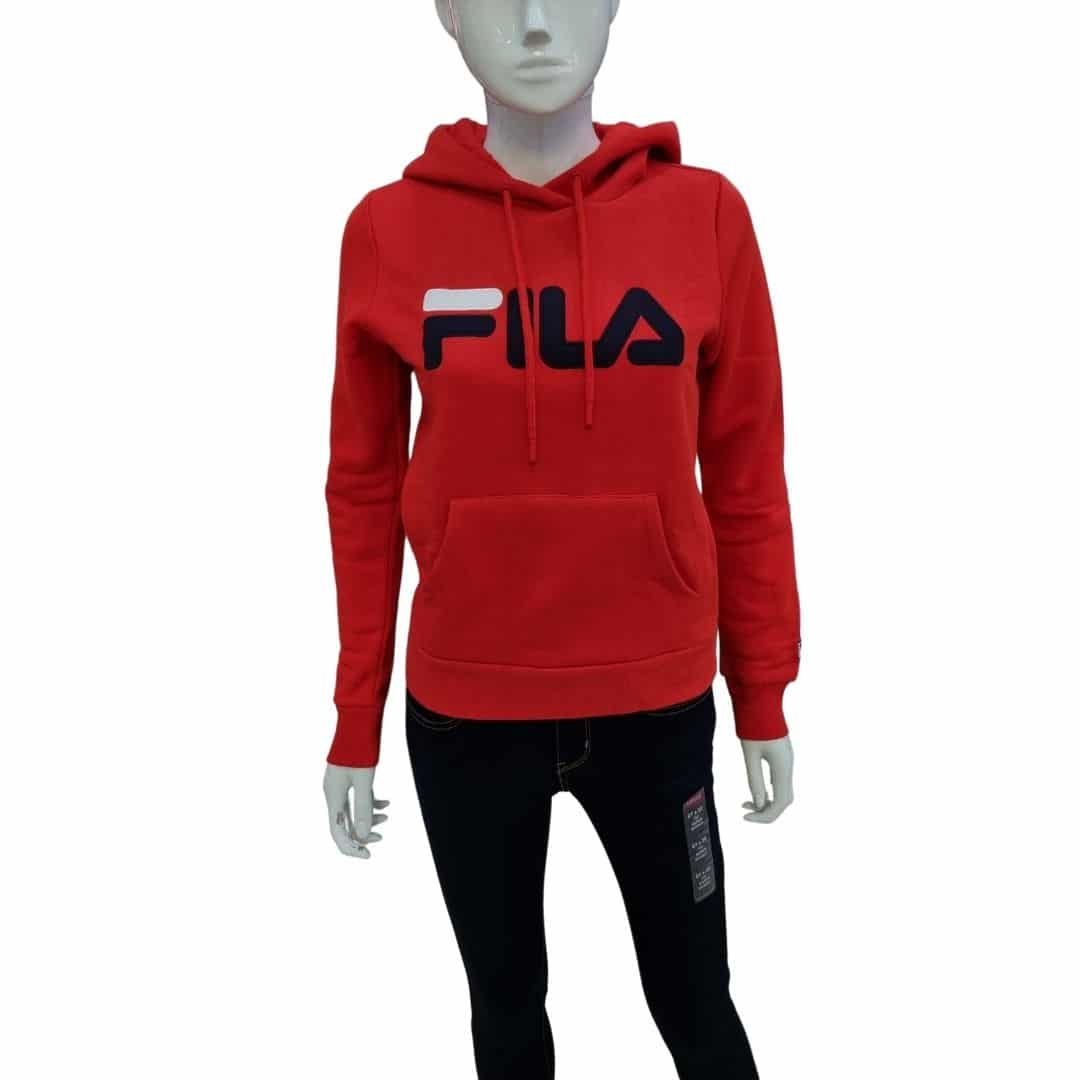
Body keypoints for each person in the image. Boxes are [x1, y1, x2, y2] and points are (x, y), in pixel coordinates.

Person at [321, 3, 801, 1077]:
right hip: (466, 711)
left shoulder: (706, 216)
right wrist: (356, 718)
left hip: (657, 703)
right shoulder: (388, 230)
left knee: (696, 1003)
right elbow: (361, 490)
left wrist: (761, 692)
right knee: (506, 1016)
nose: (537, 24)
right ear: (447, 13)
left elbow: (747, 477)